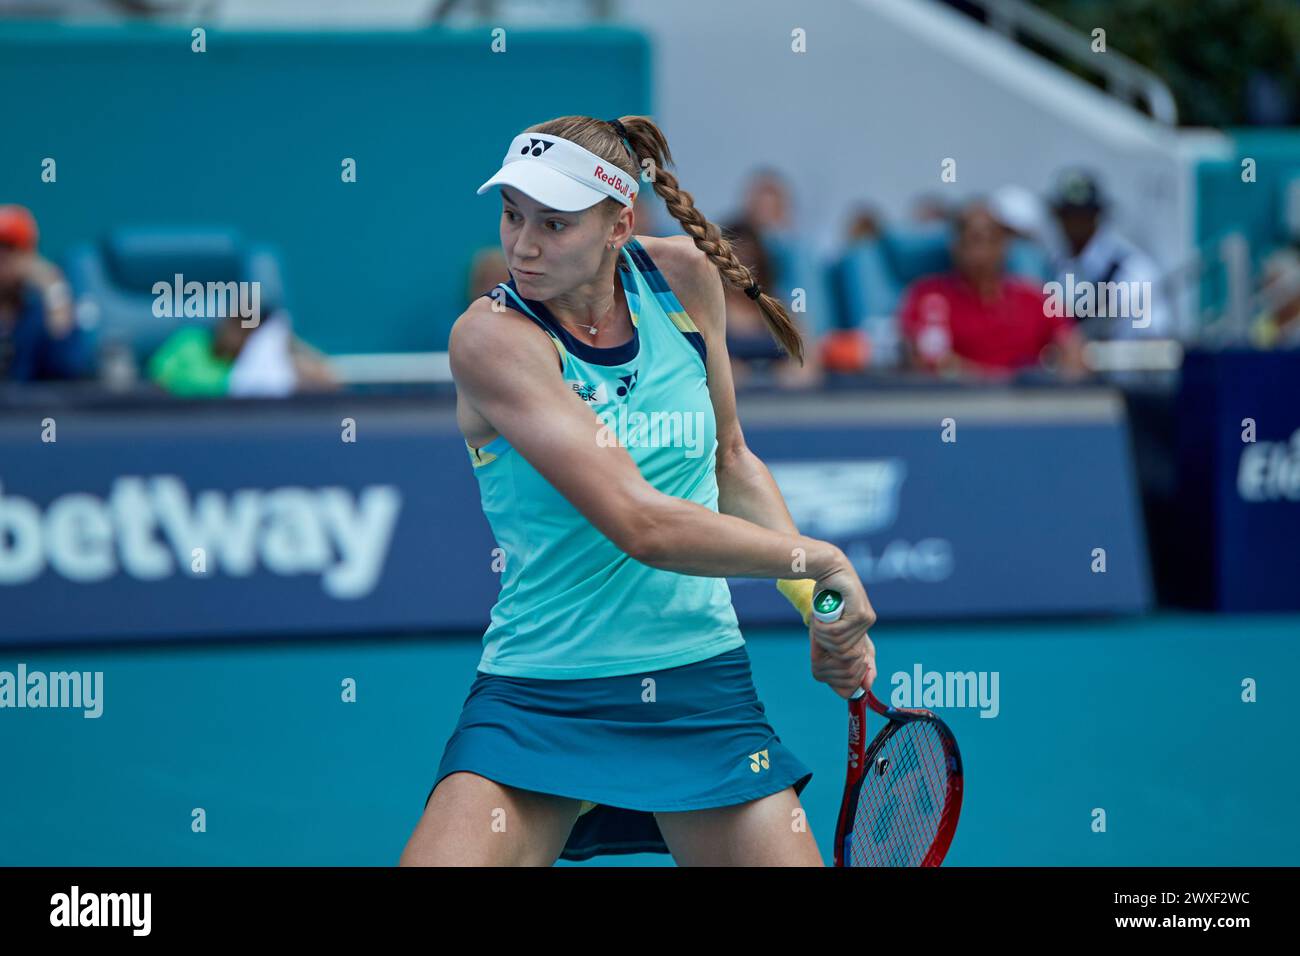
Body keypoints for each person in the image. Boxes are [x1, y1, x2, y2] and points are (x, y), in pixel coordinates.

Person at [400, 115, 877, 867]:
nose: (522, 245)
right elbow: (640, 523)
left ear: (619, 223)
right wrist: (815, 560)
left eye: (554, 224)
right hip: (541, 694)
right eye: (512, 214)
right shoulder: (491, 338)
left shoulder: (685, 279)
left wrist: (811, 604)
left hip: (697, 687)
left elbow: (730, 462)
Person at [898, 201, 1086, 380]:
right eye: (975, 240)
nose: (984, 251)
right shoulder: (929, 297)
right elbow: (932, 363)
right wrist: (999, 383)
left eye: (993, 240)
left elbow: (1071, 346)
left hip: (1026, 407)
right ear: (956, 246)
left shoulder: (1035, 298)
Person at [1050, 168, 1172, 339]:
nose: (1074, 224)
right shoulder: (1055, 266)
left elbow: (1152, 335)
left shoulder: (1133, 271)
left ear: (1096, 216)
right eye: (1067, 215)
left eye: (1082, 216)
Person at [718, 219, 822, 389]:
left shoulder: (778, 306)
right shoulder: (710, 311)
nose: (742, 271)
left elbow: (808, 356)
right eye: (734, 263)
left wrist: (796, 372)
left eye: (749, 262)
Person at [0, 204, 93, 382]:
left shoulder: (38, 317)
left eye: (10, 250)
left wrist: (53, 287)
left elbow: (67, 367)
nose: (3, 261)